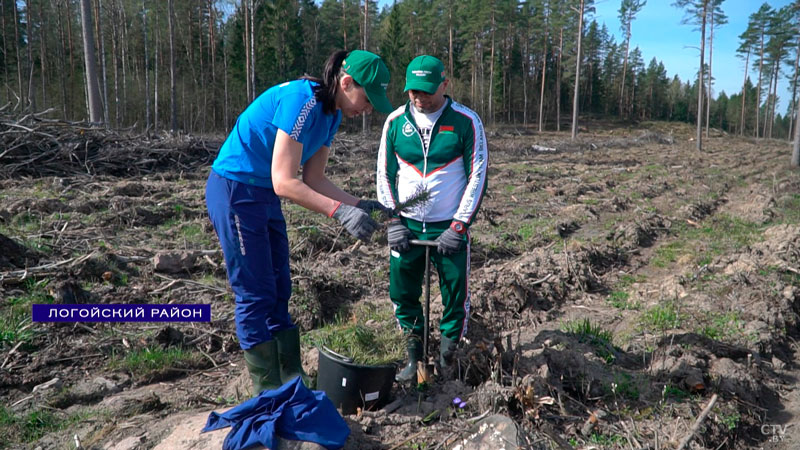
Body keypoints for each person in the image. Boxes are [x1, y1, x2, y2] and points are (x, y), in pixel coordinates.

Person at [206, 49, 393, 395]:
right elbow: (285, 181)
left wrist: (360, 204)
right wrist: (339, 212)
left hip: (262, 195)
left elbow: (315, 179)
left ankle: (290, 379)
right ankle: (268, 390)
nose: (367, 111)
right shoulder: (301, 101)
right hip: (235, 191)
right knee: (255, 292)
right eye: (367, 100)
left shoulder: (331, 114)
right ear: (346, 82)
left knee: (280, 288)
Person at [376, 55, 488, 382]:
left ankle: (447, 361)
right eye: (412, 91)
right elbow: (384, 174)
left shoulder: (466, 122)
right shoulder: (395, 122)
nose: (418, 98)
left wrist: (459, 225)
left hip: (448, 227)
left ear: (444, 85)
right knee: (403, 294)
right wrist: (392, 221)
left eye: (426, 91)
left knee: (455, 296)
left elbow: (477, 175)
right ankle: (414, 359)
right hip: (406, 227)